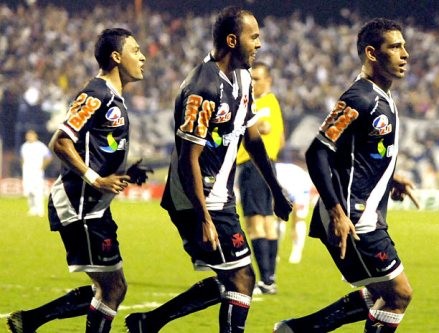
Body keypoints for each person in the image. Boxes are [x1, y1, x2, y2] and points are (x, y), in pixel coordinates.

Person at [125, 6, 292, 333]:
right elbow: (189, 157)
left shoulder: (244, 78)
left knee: (231, 278)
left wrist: (275, 188)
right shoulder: (202, 87)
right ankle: (151, 322)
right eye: (253, 37)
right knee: (242, 279)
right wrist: (203, 216)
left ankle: (149, 322)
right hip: (196, 197)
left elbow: (252, 137)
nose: (259, 44)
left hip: (220, 195)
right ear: (232, 40)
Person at [274, 18, 417, 333]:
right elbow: (317, 151)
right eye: (395, 47)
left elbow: (358, 152)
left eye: (404, 46)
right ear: (371, 53)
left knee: (380, 292)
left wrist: (392, 177)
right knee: (398, 295)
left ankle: (296, 330)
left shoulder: (380, 96)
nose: (405, 53)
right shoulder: (360, 97)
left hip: (362, 213)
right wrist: (338, 212)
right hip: (354, 216)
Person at [7, 28, 148, 333]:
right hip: (79, 204)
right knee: (112, 288)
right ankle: (32, 320)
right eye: (135, 51)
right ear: (116, 57)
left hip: (93, 207)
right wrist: (96, 179)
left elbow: (97, 148)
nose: (143, 57)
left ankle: (30, 320)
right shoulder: (96, 93)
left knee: (112, 287)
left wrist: (124, 172)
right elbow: (59, 142)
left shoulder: (114, 98)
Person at [236, 61, 285, 294]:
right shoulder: (271, 103)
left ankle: (265, 280)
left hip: (252, 166)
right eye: (250, 78)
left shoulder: (263, 103)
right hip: (268, 166)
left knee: (255, 223)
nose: (252, 83)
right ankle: (270, 279)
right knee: (267, 222)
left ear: (268, 80)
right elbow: (281, 138)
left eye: (257, 79)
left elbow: (263, 126)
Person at [274, 160, 313, 264]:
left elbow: (296, 205)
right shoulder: (266, 176)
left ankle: (297, 252)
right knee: (278, 219)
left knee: (299, 219)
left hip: (299, 186)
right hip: (281, 185)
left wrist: (293, 227)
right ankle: (274, 252)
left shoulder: (297, 182)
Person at [20, 129, 52, 217]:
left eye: (31, 135)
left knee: (37, 191)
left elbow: (49, 157)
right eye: (28, 135)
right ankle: (32, 209)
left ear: (35, 136)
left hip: (37, 172)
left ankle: (40, 210)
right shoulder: (24, 146)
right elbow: (22, 158)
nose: (29, 137)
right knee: (29, 191)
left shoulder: (40, 146)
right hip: (27, 172)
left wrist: (42, 167)